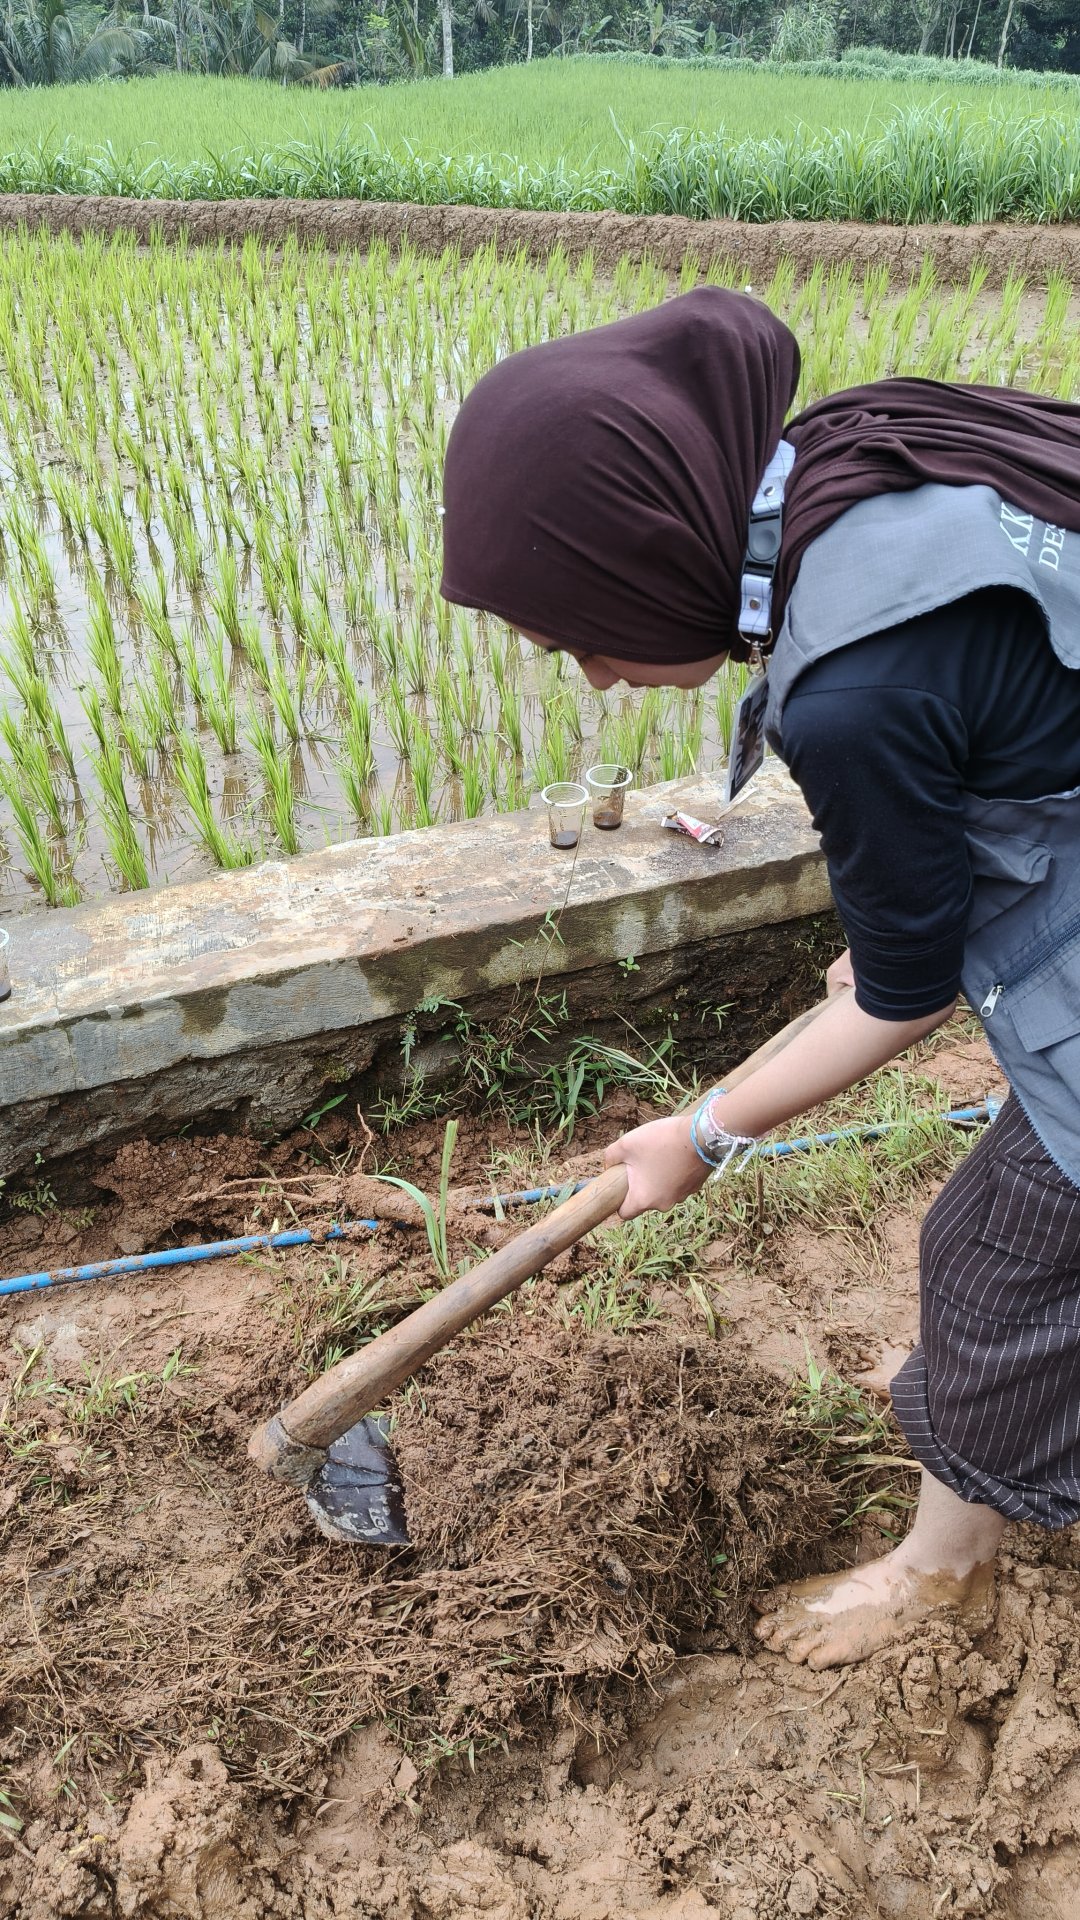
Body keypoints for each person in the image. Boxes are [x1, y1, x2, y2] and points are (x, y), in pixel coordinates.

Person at [438, 287, 1080, 1672]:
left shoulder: (855, 682)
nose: (596, 679)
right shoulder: (855, 459)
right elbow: (1008, 720)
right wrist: (917, 927)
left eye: (576, 636)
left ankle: (944, 1572)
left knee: (996, 1253)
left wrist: (702, 1134)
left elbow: (901, 996)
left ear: (649, 555)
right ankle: (995, 1407)